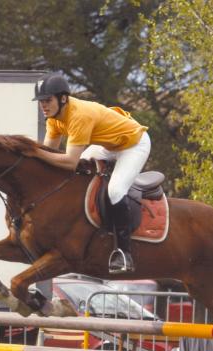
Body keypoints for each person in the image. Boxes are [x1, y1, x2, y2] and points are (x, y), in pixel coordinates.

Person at [29, 73, 150, 274]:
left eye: (47, 100)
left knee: (115, 191)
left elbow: (69, 161)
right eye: (41, 101)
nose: (43, 105)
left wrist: (35, 153)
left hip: (134, 144)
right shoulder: (54, 118)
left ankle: (123, 253)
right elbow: (49, 153)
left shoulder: (78, 115)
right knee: (79, 175)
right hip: (108, 146)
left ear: (63, 98)